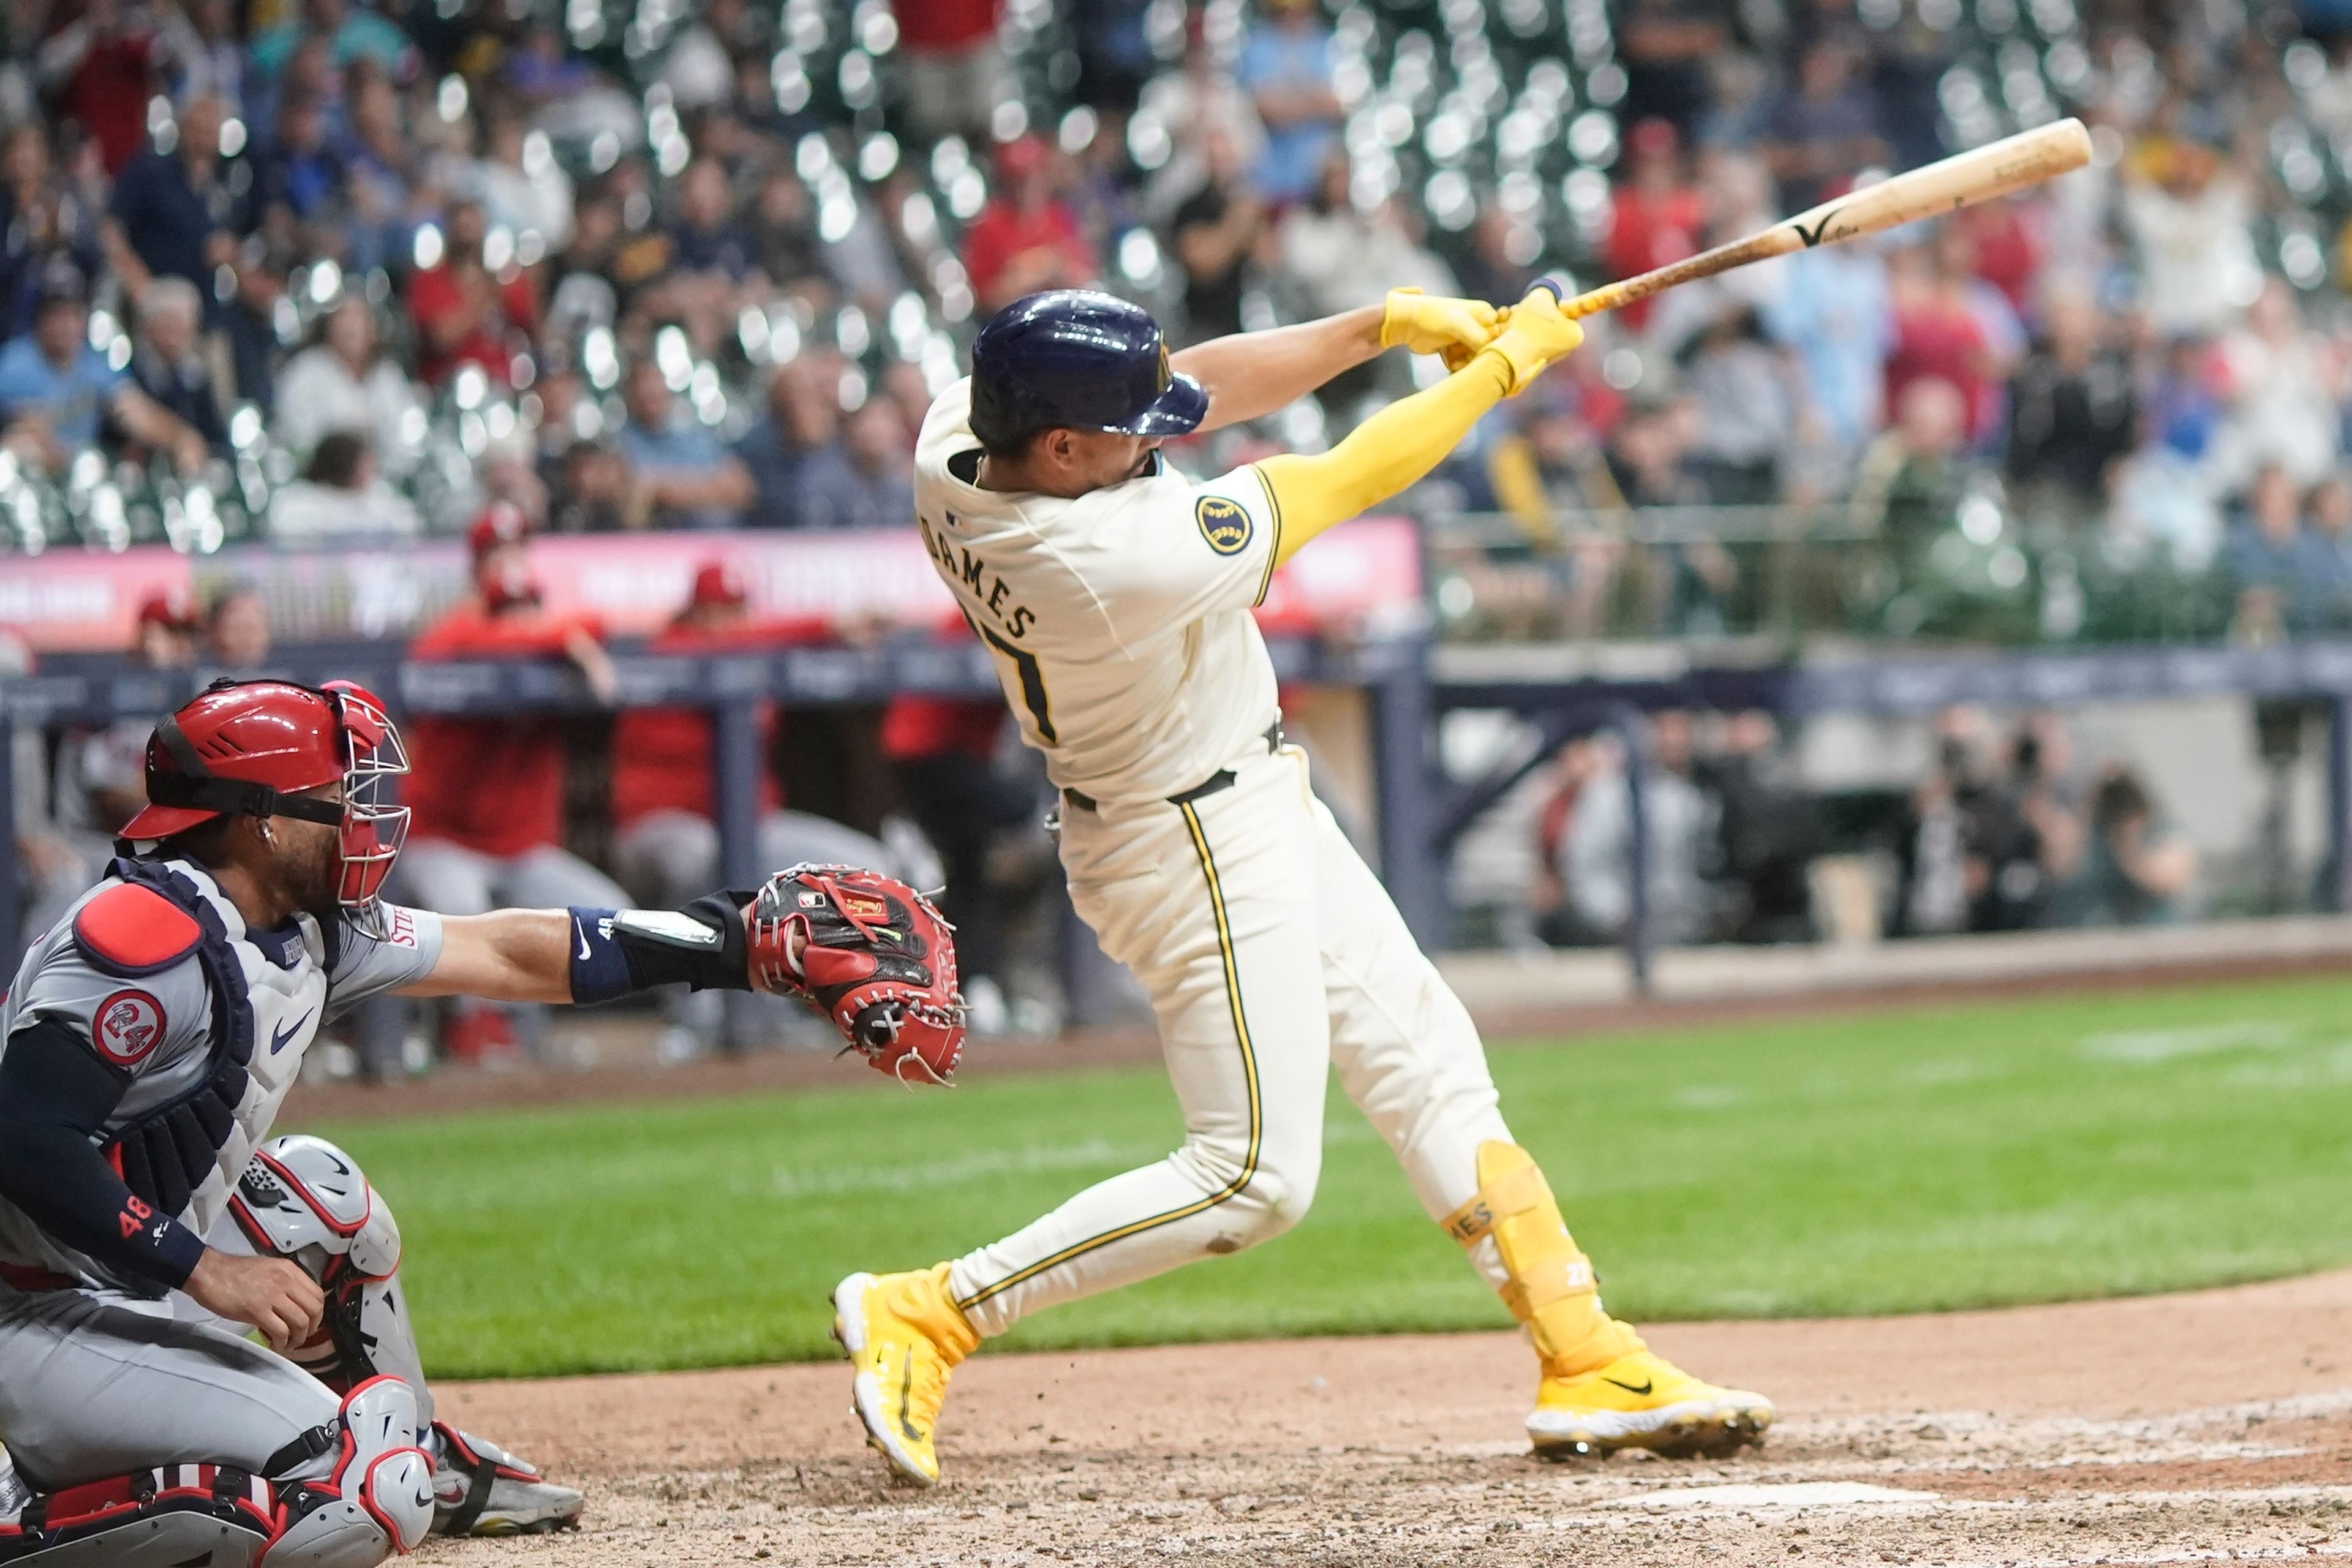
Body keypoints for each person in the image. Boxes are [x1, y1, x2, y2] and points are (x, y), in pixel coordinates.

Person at [832, 284, 1770, 1488]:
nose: (1156, 440)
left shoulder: (964, 440)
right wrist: (1493, 379)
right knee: (1253, 1175)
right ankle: (932, 1308)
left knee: (1430, 1058)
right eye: (1128, 433)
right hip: (1190, 844)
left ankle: (1588, 1353)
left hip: (1245, 797)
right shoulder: (1117, 557)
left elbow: (1204, 386)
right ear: (1062, 449)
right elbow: (1347, 476)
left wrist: (1377, 324)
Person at [0, 666, 937, 1558]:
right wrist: (206, 1269)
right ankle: (25, 1511)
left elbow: (513, 954)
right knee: (363, 1495)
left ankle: (424, 1454)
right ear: (260, 826)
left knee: (322, 1200)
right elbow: (22, 1139)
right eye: (339, 802)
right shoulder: (142, 940)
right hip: (35, 1319)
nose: (367, 821)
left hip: (113, 1279)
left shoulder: (298, 924)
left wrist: (737, 942)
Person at [606, 561, 917, 1057]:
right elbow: (724, 646)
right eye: (715, 612)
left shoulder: (756, 648)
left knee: (863, 864)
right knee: (703, 859)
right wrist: (824, 627)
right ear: (694, 613)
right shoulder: (670, 651)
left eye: (736, 611)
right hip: (660, 827)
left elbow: (752, 641)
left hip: (747, 824)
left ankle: (811, 1004)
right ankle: (698, 1018)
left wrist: (838, 632)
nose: (727, 624)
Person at [397, 506, 627, 1060]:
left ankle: (531, 1042)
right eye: (497, 555)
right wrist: (558, 636)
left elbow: (600, 624)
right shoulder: (454, 636)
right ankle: (464, 1033)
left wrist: (560, 636)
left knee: (611, 918)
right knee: (466, 912)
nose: (520, 619)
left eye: (518, 549)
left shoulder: (558, 645)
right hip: (445, 841)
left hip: (520, 850)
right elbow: (453, 647)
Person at [272, 295, 425, 474]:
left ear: (374, 331)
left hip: (378, 483)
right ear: (329, 327)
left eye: (360, 318)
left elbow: (405, 437)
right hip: (319, 486)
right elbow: (296, 438)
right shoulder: (306, 371)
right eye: (343, 317)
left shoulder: (388, 376)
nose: (352, 326)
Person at [615, 358, 755, 529]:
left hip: (722, 543)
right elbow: (634, 508)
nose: (651, 396)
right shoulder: (620, 444)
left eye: (656, 389)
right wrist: (710, 487)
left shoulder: (694, 436)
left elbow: (742, 489)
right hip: (663, 548)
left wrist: (663, 490)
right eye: (644, 390)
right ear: (630, 395)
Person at [796, 399, 914, 530]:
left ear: (900, 433)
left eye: (885, 421)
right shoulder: (825, 484)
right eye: (868, 420)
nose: (874, 428)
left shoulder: (907, 489)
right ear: (852, 429)